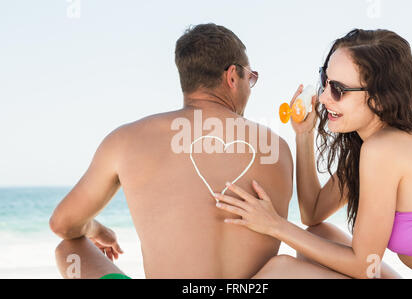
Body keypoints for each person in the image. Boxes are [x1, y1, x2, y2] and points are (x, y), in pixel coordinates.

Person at [49, 23, 294, 279]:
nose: (249, 88)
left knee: (69, 248)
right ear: (232, 76)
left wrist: (95, 229)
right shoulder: (276, 147)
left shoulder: (126, 139)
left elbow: (62, 225)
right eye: (250, 78)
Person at [215, 29, 412, 279]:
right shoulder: (372, 145)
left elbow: (363, 266)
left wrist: (275, 225)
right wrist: (304, 135)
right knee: (319, 234)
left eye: (339, 89)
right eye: (325, 80)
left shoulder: (383, 150)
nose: (324, 97)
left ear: (380, 99)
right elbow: (313, 214)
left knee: (280, 271)